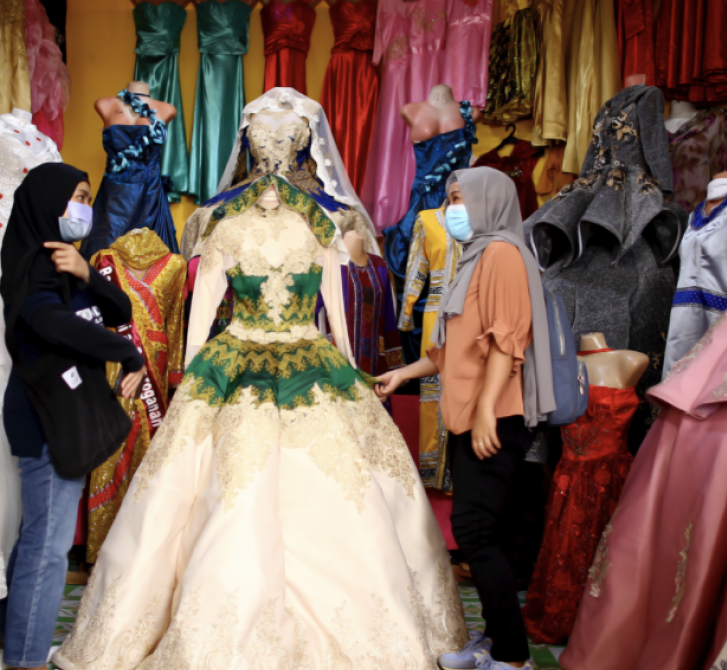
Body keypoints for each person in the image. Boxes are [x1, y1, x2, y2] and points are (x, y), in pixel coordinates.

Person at [50, 89, 467, 670]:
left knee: (216, 492)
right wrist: (349, 368)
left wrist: (189, 381)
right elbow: (338, 322)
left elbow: (201, 324)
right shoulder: (321, 228)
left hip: (236, 359)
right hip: (309, 360)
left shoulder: (220, 227)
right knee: (338, 491)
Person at [378, 166, 553, 670]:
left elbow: (506, 344)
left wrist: (484, 415)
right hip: (470, 417)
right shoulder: (474, 256)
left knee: (474, 529)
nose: (451, 208)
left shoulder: (502, 253)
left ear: (489, 201)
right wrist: (402, 375)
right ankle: (498, 642)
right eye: (449, 197)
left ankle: (514, 658)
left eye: (460, 198)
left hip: (494, 416)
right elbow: (447, 349)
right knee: (481, 528)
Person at [0, 163, 146, 670]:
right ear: (49, 203)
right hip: (47, 417)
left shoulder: (67, 262)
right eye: (77, 196)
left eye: (87, 196)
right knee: (48, 547)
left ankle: (10, 632)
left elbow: (122, 309)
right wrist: (124, 354)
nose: (84, 206)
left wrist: (88, 276)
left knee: (37, 533)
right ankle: (27, 658)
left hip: (62, 412)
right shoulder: (35, 263)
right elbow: (47, 321)